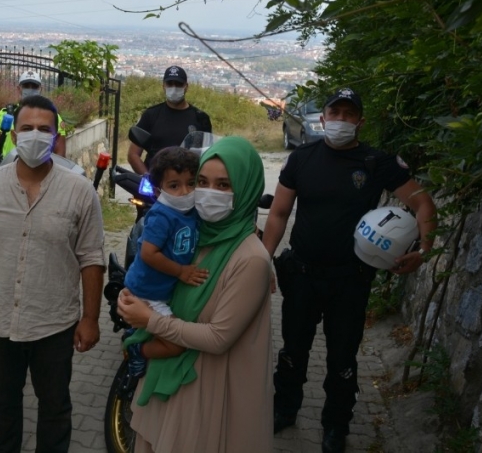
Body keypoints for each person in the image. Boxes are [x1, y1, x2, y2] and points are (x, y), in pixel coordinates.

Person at [263, 88, 437, 453]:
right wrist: (263, 262)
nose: (341, 119)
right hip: (303, 274)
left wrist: (423, 249)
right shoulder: (302, 159)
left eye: (348, 113)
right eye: (335, 112)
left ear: (360, 121)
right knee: (293, 350)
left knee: (342, 359)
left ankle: (335, 426)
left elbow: (422, 203)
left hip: (351, 279)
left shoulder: (376, 163)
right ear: (323, 118)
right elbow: (278, 214)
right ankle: (285, 409)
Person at [0, 94, 105, 453]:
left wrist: (91, 318)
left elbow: (92, 258)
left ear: (55, 137)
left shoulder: (80, 191)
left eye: (44, 129)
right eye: (27, 128)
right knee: (2, 408)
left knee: (55, 408)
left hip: (54, 323)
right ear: (13, 136)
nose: (35, 135)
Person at [119, 136, 274, 453]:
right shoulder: (199, 234)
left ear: (244, 191)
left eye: (223, 185)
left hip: (208, 394)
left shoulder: (251, 259)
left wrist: (150, 322)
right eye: (202, 181)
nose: (205, 193)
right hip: (173, 389)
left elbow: (218, 339)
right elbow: (159, 272)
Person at [122, 146, 208, 379]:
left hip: (162, 289)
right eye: (174, 186)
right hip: (148, 293)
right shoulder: (162, 216)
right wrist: (180, 271)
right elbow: (149, 254)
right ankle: (137, 351)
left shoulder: (192, 212)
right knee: (176, 344)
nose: (185, 192)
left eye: (191, 183)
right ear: (159, 191)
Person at [127, 65, 212, 175]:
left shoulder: (200, 118)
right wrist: (147, 179)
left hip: (187, 183)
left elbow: (207, 156)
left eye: (178, 84)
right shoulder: (151, 114)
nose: (174, 88)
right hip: (155, 183)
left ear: (186, 86)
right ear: (163, 86)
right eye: (170, 84)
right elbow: (133, 154)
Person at [0, 70, 67, 163]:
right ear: (19, 88)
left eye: (34, 86)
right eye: (26, 86)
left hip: (42, 168)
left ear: (40, 89)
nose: (30, 89)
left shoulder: (53, 118)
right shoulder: (4, 114)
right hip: (7, 167)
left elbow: (60, 153)